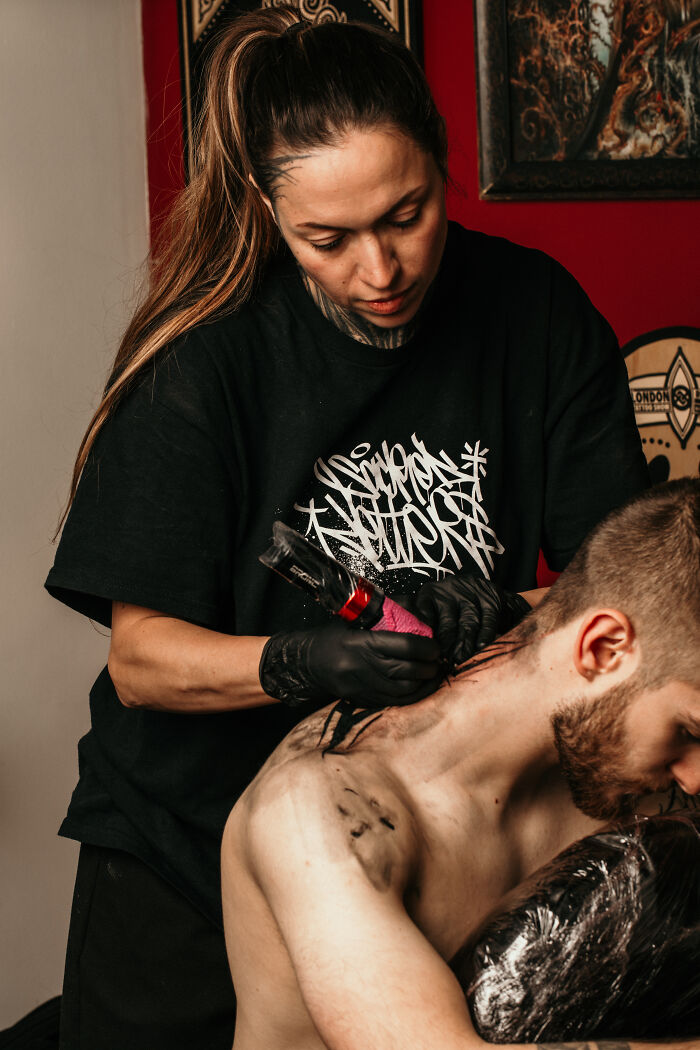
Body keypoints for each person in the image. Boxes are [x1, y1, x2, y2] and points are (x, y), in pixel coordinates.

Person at [46, 7, 649, 1048]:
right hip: (180, 847)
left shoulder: (534, 314)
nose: (380, 270)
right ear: (270, 217)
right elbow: (144, 662)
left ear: (442, 162)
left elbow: (621, 585)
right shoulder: (207, 362)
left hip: (402, 837)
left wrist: (498, 612)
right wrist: (300, 659)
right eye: (327, 240)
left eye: (406, 215)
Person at [222, 478, 700, 1050]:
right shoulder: (323, 817)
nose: (694, 777)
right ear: (602, 649)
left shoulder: (621, 777)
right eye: (688, 732)